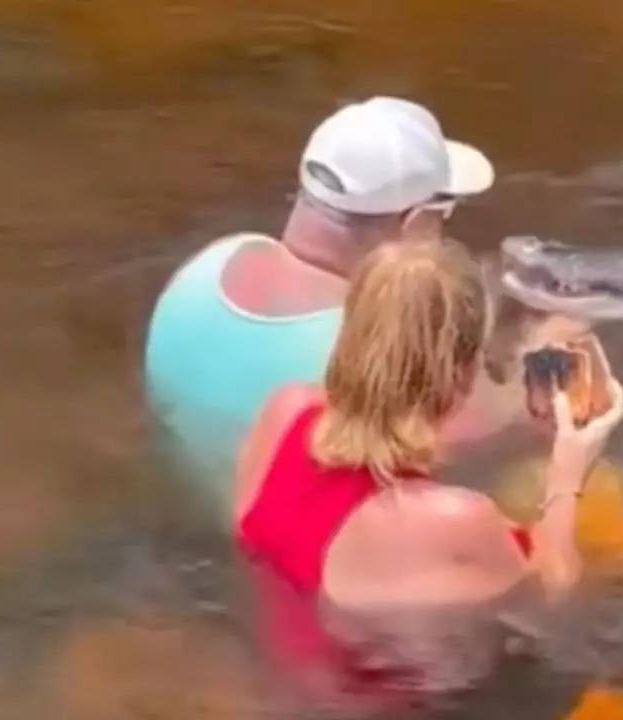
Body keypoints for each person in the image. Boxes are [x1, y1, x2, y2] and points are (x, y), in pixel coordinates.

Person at [232, 239, 623, 698]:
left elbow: (381, 428)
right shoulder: (453, 521)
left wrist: (519, 408)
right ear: (459, 373)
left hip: (287, 684)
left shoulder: (284, 413)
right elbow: (558, 599)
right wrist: (569, 470)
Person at [143, 96, 496, 504]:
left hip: (195, 513)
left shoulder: (207, 265)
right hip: (303, 556)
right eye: (443, 212)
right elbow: (471, 436)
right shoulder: (373, 345)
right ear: (414, 226)